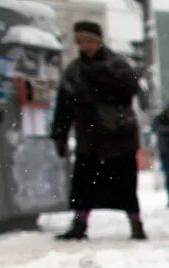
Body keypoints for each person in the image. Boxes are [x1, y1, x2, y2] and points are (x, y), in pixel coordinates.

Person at [51, 21, 146, 240]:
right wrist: (60, 133)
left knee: (125, 184)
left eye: (89, 41)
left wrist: (101, 78)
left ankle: (136, 224)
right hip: (89, 138)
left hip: (118, 137)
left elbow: (131, 89)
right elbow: (63, 106)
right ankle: (79, 224)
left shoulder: (117, 65)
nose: (85, 46)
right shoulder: (74, 71)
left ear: (99, 41)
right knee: (83, 184)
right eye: (81, 41)